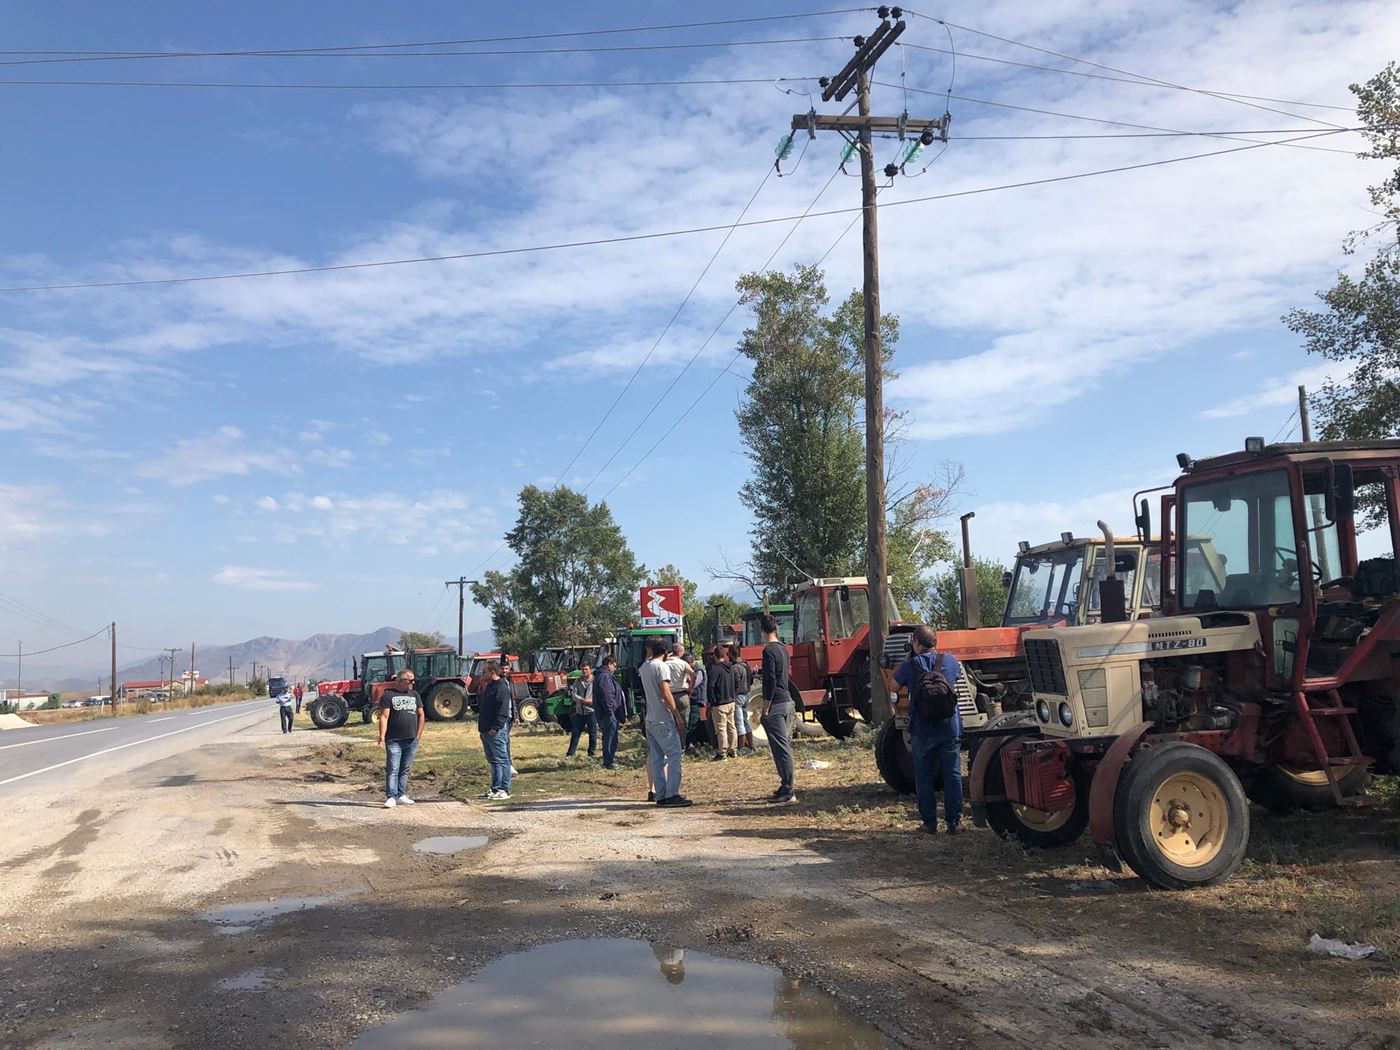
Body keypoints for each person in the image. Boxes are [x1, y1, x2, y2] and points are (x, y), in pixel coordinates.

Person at [894, 625, 964, 834]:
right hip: (949, 726)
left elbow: (893, 687)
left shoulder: (909, 665)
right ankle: (954, 822)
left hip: (922, 729)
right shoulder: (950, 661)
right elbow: (956, 678)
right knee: (952, 774)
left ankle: (929, 823)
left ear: (915, 642)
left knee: (923, 776)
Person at [640, 635, 691, 807]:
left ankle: (660, 794)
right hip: (663, 718)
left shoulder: (644, 667)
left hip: (650, 718)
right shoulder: (661, 667)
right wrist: (677, 715)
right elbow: (666, 693)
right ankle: (672, 794)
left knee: (657, 758)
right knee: (674, 755)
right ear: (665, 650)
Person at [758, 615, 797, 804]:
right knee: (783, 746)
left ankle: (788, 789)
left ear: (763, 631)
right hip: (787, 700)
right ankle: (785, 784)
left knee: (781, 748)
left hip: (776, 704)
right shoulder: (783, 648)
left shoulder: (768, 651)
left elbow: (770, 681)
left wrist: (765, 707)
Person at [377, 670, 425, 809]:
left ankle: (401, 794)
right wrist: (382, 736)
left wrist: (418, 735)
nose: (413, 683)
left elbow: (421, 715)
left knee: (405, 768)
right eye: (410, 680)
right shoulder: (388, 695)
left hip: (411, 739)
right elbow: (384, 717)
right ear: (400, 681)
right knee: (393, 768)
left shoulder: (415, 695)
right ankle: (391, 796)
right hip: (394, 739)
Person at [477, 661, 514, 800]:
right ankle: (495, 788)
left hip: (496, 730)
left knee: (502, 759)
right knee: (493, 760)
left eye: (485, 671)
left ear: (492, 672)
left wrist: (495, 727)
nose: (483, 674)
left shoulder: (502, 688)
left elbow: (503, 711)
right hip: (486, 730)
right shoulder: (489, 687)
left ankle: (504, 789)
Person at [594, 656, 626, 770]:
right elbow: (607, 695)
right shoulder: (604, 677)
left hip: (609, 713)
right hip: (608, 714)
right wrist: (611, 711)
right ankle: (608, 762)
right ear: (609, 664)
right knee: (610, 737)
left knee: (611, 736)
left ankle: (609, 759)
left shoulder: (604, 676)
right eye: (614, 666)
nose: (615, 668)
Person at [706, 644, 737, 760]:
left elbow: (710, 686)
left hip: (720, 703)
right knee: (732, 726)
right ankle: (733, 750)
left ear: (714, 655)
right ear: (724, 655)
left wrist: (711, 701)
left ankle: (722, 752)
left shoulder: (715, 669)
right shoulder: (731, 667)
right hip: (731, 701)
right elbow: (736, 683)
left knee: (721, 728)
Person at [664, 645, 694, 753]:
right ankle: (681, 747)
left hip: (668, 695)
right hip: (682, 695)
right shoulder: (683, 663)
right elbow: (693, 674)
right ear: (681, 652)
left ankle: (670, 747)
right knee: (683, 723)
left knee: (669, 722)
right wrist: (691, 688)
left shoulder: (665, 663)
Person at [565, 663, 598, 758]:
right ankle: (571, 753)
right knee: (575, 732)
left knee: (592, 732)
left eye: (586, 669)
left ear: (590, 670)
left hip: (591, 710)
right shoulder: (578, 681)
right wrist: (582, 700)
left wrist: (592, 701)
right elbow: (574, 694)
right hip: (580, 711)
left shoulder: (595, 681)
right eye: (583, 669)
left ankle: (591, 753)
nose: (584, 671)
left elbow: (599, 693)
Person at [730, 643, 754, 753]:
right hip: (747, 694)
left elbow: (735, 683)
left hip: (738, 696)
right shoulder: (746, 665)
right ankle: (751, 745)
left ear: (730, 654)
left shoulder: (735, 667)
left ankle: (740, 748)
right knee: (745, 720)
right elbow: (752, 680)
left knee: (739, 722)